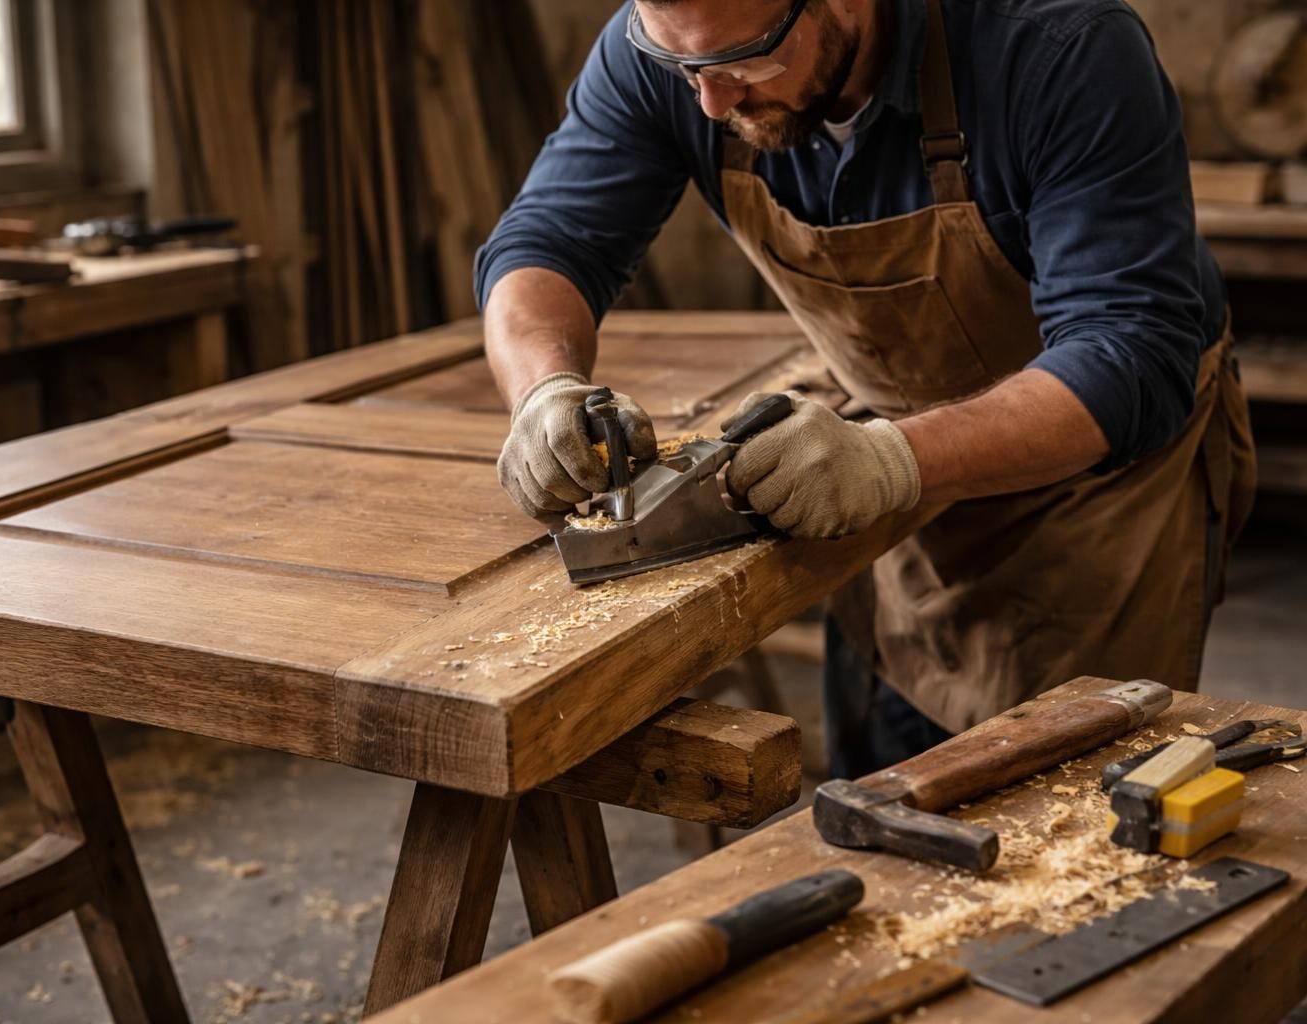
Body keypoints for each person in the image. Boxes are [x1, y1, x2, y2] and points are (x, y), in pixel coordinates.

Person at [479, 0, 1256, 777]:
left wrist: (890, 461)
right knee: (881, 793)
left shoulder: (1063, 47)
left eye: (746, 61)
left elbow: (1128, 352)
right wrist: (543, 389)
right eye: (684, 71)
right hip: (863, 479)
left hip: (1092, 498)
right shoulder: (686, 40)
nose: (712, 102)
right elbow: (548, 239)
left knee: (1066, 826)